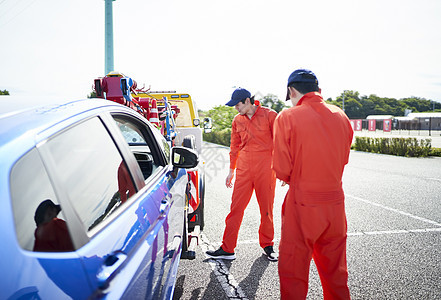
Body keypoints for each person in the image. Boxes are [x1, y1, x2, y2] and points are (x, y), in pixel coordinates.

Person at [273, 69, 353, 299]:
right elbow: (343, 159)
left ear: (292, 90)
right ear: (318, 90)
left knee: (294, 270)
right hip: (336, 204)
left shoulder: (287, 117)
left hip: (303, 203)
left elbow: (281, 168)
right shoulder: (341, 115)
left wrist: (294, 176)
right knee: (336, 272)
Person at [206, 88, 278, 261]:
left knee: (266, 210)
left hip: (266, 170)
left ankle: (268, 245)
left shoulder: (270, 115)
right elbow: (234, 146)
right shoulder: (237, 120)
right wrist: (231, 171)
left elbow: (282, 141)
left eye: (237, 104)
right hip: (244, 171)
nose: (236, 108)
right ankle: (227, 248)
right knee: (235, 209)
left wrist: (286, 168)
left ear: (247, 101)